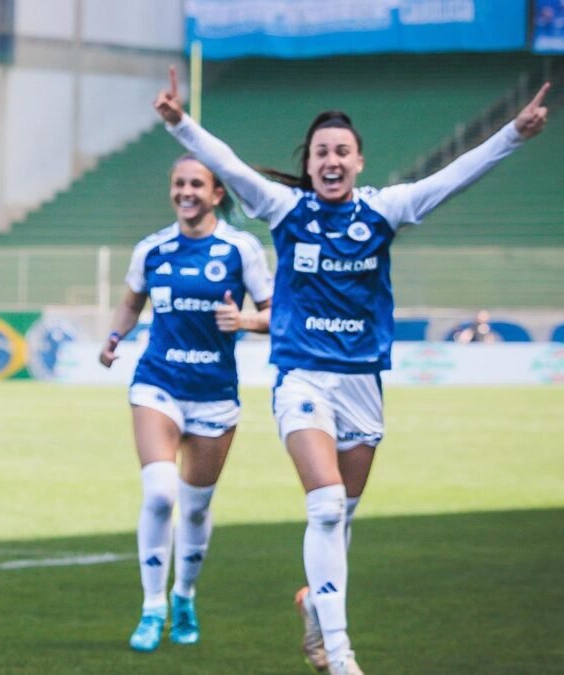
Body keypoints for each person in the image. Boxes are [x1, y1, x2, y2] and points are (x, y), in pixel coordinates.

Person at [155, 66, 550, 674]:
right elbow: (230, 166)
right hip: (301, 378)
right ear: (309, 164)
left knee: (343, 521)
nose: (331, 160)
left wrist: (514, 135)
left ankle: (317, 601)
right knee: (326, 505)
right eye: (321, 152)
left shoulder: (385, 210)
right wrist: (182, 125)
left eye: (342, 151)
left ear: (359, 161)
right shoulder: (286, 210)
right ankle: (340, 656)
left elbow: (453, 178)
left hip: (362, 384)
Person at [99, 155, 272, 652]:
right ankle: (152, 606)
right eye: (179, 183)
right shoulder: (152, 249)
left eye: (197, 183)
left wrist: (245, 322)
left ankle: (185, 595)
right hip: (158, 383)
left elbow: (274, 312)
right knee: (159, 493)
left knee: (195, 510)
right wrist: (115, 336)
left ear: (217, 193)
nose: (186, 191)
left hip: (215, 394)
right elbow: (133, 301)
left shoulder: (241, 249)